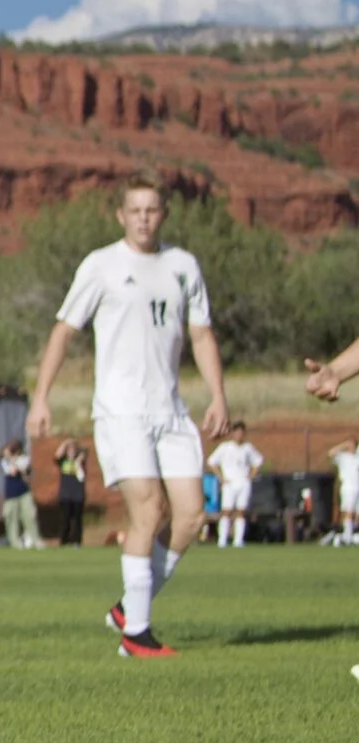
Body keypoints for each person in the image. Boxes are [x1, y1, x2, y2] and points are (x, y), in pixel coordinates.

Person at [28, 180, 228, 659]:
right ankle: (135, 637)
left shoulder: (183, 266)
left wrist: (218, 396)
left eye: (152, 209)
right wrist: (41, 398)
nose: (143, 218)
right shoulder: (102, 266)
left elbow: (201, 336)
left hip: (172, 411)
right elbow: (62, 333)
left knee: (191, 516)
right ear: (120, 216)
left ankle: (128, 609)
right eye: (134, 210)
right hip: (122, 410)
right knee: (147, 509)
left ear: (164, 214)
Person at [204, 420, 264, 549]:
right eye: (237, 432)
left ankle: (238, 540)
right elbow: (212, 462)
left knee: (241, 511)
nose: (239, 435)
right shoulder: (225, 448)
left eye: (241, 432)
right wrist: (221, 477)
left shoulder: (247, 448)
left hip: (243, 483)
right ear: (233, 433)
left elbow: (258, 461)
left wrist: (250, 476)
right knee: (226, 511)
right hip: (229, 483)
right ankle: (222, 540)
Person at [0, 439, 39, 549]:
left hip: (23, 492)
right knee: (11, 518)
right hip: (11, 494)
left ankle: (35, 539)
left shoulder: (24, 459)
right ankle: (15, 542)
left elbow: (23, 470)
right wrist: (9, 458)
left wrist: (14, 461)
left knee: (29, 516)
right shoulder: (5, 461)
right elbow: (10, 471)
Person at [53, 437, 90, 547]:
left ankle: (77, 541)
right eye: (69, 450)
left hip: (78, 495)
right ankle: (64, 541)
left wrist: (78, 452)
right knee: (65, 519)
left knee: (77, 519)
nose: (71, 452)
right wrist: (65, 443)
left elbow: (85, 452)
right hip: (65, 495)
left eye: (73, 449)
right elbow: (57, 455)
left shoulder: (80, 462)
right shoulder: (64, 461)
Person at [329, 440, 359, 547]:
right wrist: (343, 445)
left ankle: (354, 534)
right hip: (348, 488)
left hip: (358, 487)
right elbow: (331, 453)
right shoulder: (343, 457)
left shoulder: (357, 457)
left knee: (356, 513)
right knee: (349, 511)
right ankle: (347, 535)